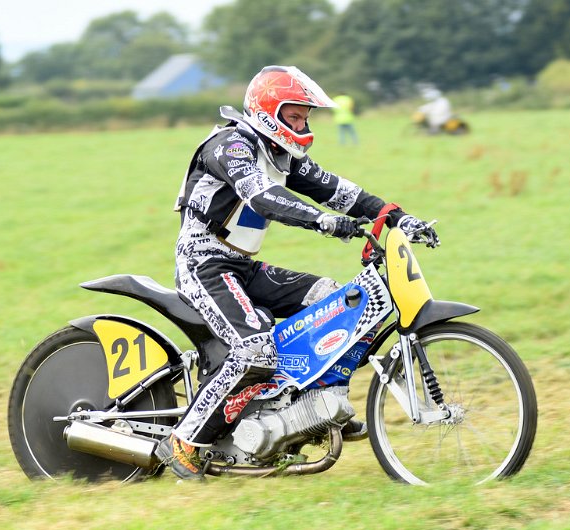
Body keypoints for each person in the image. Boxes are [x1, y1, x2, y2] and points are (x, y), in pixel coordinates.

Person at [156, 65, 439, 480]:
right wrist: (322, 221)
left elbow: (343, 192)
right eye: (295, 116)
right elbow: (263, 197)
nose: (303, 125)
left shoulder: (282, 155)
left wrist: (399, 218)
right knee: (255, 350)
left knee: (342, 301)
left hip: (242, 266)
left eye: (306, 117)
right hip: (203, 264)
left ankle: (318, 409)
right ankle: (184, 441)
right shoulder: (231, 146)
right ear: (268, 112)